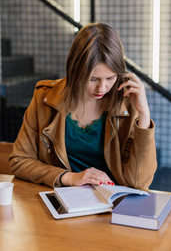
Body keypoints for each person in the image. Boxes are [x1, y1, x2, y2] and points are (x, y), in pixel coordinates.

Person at [9, 22, 157, 189]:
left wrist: (144, 115)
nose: (102, 88)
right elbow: (19, 161)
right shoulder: (45, 98)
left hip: (110, 204)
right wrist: (69, 177)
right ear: (75, 70)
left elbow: (139, 182)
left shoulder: (127, 105)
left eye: (110, 78)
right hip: (61, 199)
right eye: (93, 79)